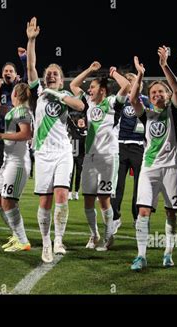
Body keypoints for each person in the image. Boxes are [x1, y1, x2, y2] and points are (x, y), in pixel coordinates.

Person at [26, 17, 86, 263]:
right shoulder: (37, 93)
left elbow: (80, 105)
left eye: (55, 74)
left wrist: (55, 93)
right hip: (42, 153)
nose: (51, 76)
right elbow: (31, 67)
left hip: (62, 151)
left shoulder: (62, 94)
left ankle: (59, 240)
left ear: (61, 80)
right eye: (48, 74)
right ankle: (46, 243)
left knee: (61, 194)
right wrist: (31, 41)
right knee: (45, 199)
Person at [129, 47, 177, 271]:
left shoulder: (175, 111)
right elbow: (133, 99)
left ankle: (168, 252)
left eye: (161, 92)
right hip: (149, 167)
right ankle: (141, 256)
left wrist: (164, 65)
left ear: (167, 95)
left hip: (172, 167)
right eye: (153, 94)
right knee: (143, 211)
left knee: (171, 212)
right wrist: (140, 76)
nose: (157, 95)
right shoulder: (147, 115)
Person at [70, 62, 128, 251]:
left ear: (102, 90)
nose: (89, 89)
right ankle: (94, 235)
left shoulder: (112, 102)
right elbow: (73, 86)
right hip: (90, 157)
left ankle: (108, 236)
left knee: (104, 199)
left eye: (93, 86)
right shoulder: (87, 102)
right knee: (88, 200)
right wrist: (89, 70)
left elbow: (126, 86)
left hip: (108, 157)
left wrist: (114, 73)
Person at [0, 82, 33, 252]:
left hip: (18, 162)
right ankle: (16, 234)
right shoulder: (14, 110)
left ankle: (23, 240)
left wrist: (0, 135)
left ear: (16, 93)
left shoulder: (23, 111)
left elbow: (26, 134)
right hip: (8, 161)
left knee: (8, 201)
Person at [111, 71, 149, 233]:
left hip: (139, 146)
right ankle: (115, 218)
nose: (130, 83)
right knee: (116, 185)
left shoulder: (146, 100)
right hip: (120, 145)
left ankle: (137, 217)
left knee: (139, 186)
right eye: (127, 81)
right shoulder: (118, 100)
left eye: (132, 80)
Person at [0, 49, 28, 182]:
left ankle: (12, 197)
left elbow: (28, 75)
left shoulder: (20, 87)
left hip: (17, 133)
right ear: (2, 74)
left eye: (10, 71)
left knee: (16, 166)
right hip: (2, 132)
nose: (8, 73)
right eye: (5, 71)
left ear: (16, 74)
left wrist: (23, 58)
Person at [67, 115, 86, 201]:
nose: (81, 122)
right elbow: (69, 121)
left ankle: (76, 192)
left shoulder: (87, 131)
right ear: (77, 123)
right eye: (79, 121)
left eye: (82, 122)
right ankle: (70, 192)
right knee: (71, 174)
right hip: (73, 154)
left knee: (78, 174)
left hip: (81, 156)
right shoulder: (74, 129)